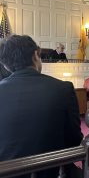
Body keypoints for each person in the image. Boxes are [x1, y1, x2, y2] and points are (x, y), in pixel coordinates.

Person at [0, 35, 83, 177]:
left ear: (5, 64)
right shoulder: (63, 89)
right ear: (36, 54)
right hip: (52, 172)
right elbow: (74, 141)